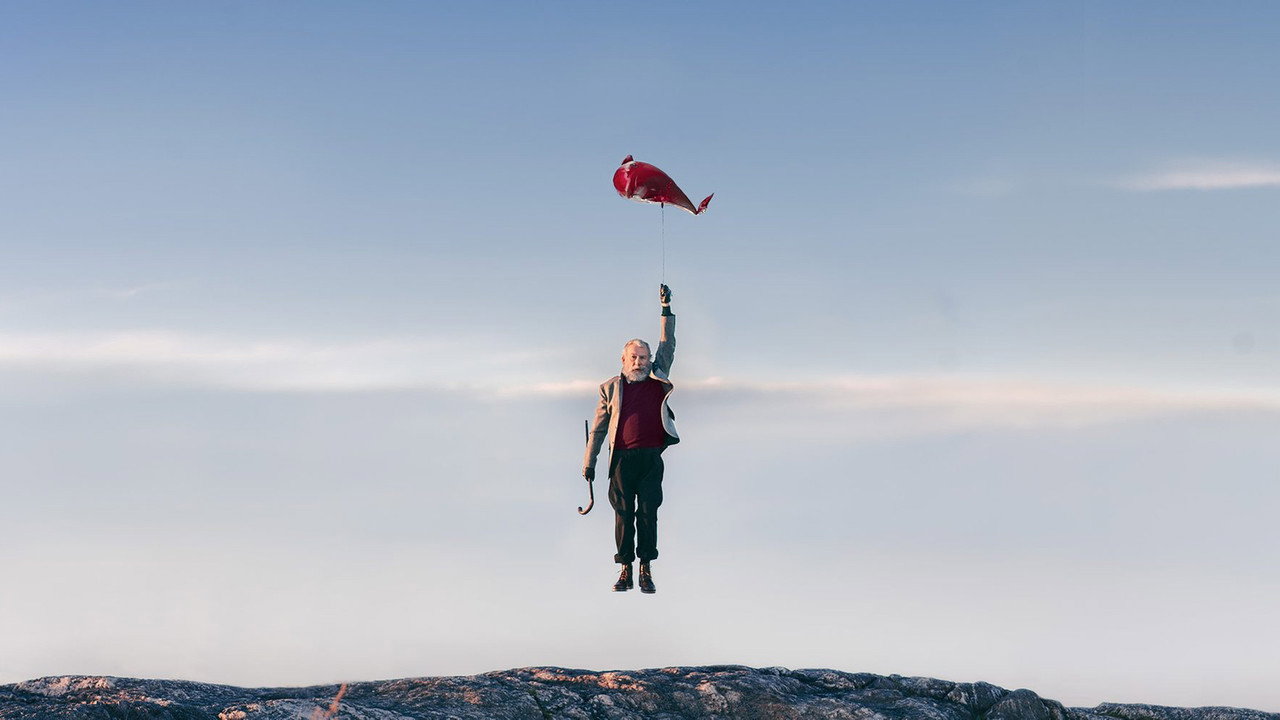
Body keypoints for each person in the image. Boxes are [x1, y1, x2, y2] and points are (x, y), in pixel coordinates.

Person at [582, 284, 679, 594]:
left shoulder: (657, 375)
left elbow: (669, 342)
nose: (640, 361)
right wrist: (589, 464)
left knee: (648, 513)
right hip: (621, 459)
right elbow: (598, 429)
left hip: (651, 458)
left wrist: (665, 309)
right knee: (623, 515)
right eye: (634, 357)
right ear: (623, 360)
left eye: (644, 357)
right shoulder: (609, 388)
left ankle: (645, 567)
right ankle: (624, 568)